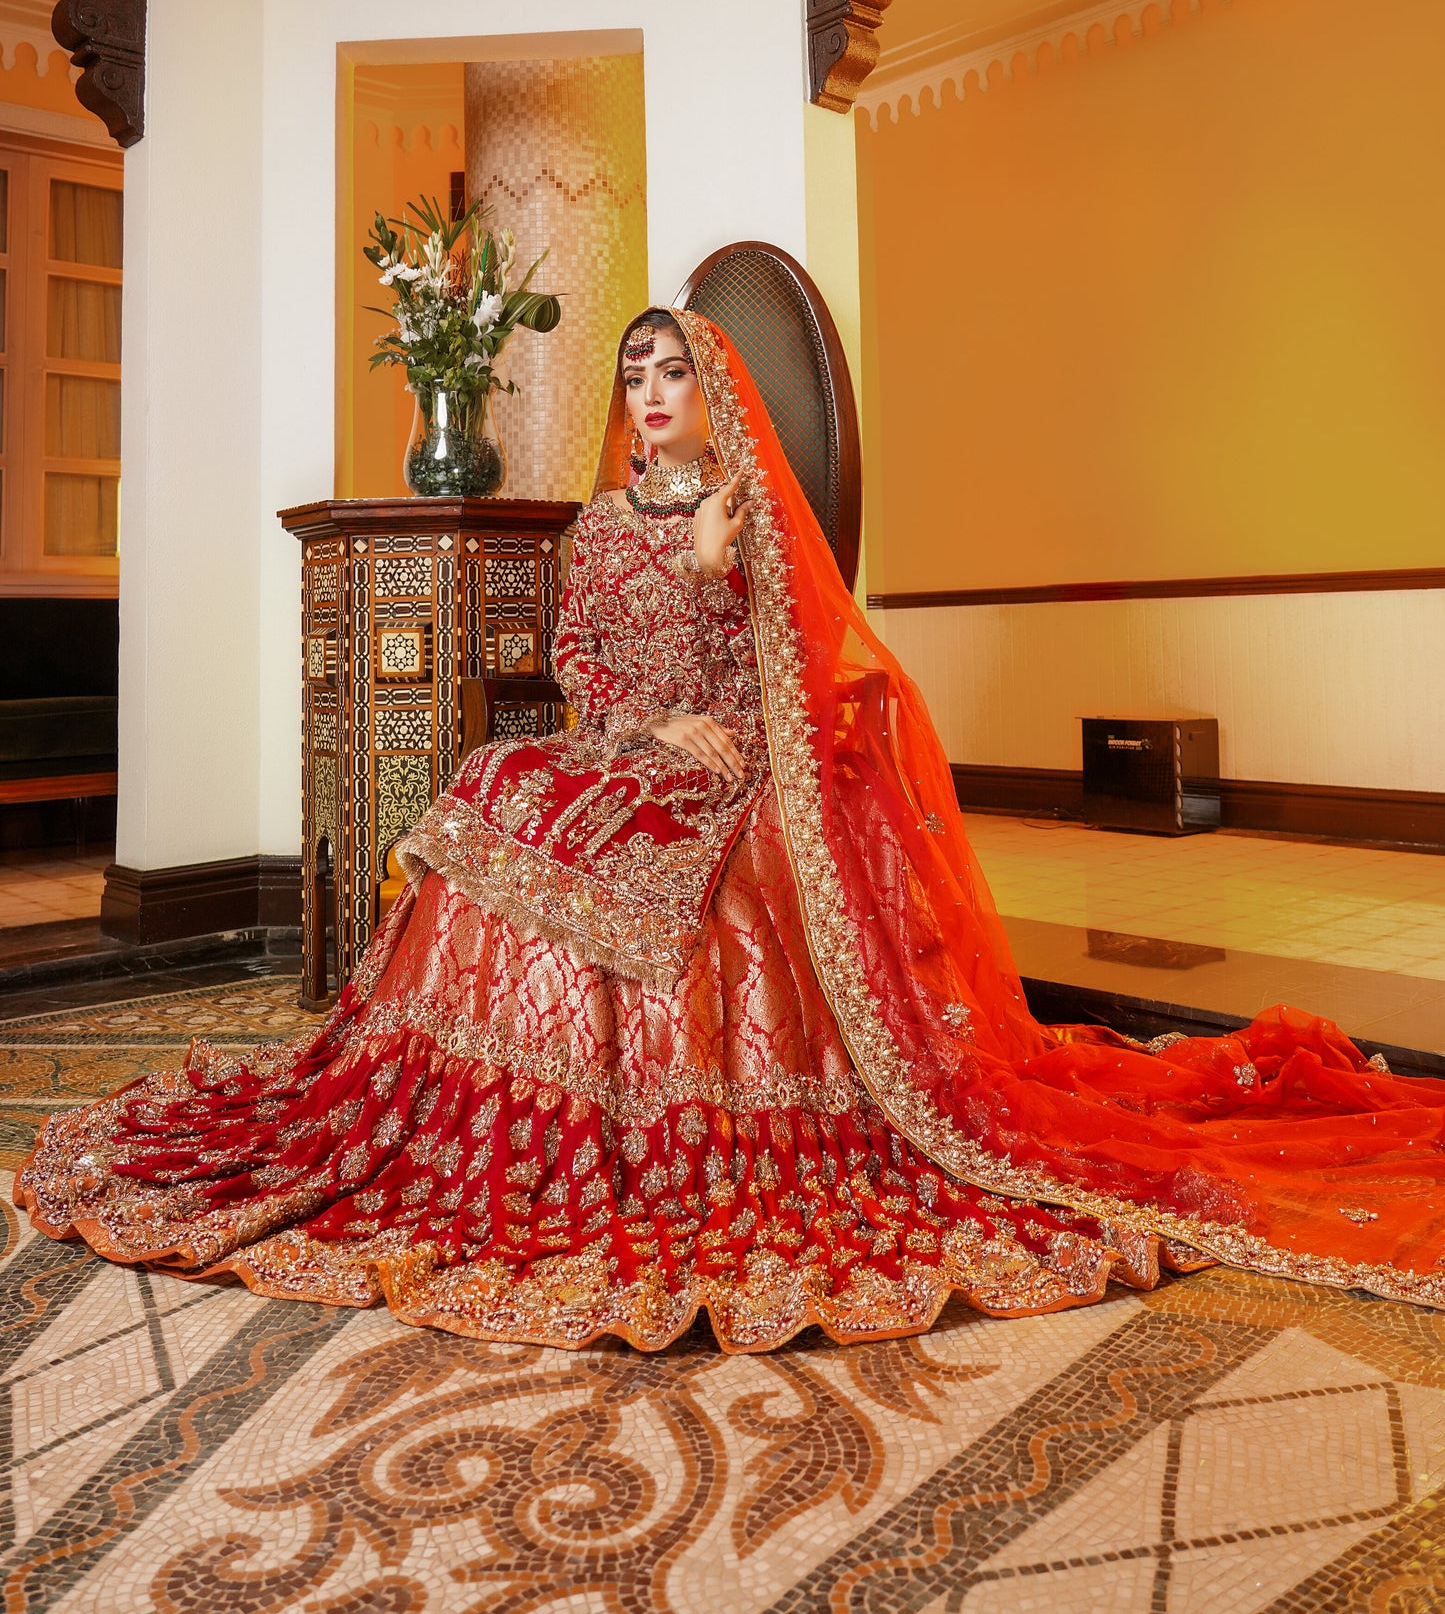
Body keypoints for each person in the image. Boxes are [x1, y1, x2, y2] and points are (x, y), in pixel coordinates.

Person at [20, 309, 1445, 1352]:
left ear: (719, 392)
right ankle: (460, 1103)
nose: (650, 395)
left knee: (633, 840)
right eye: (634, 375)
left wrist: (732, 638)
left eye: (674, 371)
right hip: (641, 746)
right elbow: (580, 662)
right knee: (503, 790)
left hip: (750, 762)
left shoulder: (754, 518)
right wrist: (641, 728)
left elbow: (832, 673)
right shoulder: (594, 525)